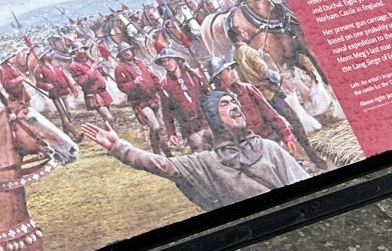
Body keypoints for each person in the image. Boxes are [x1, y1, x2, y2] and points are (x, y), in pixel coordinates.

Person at [83, 90, 308, 210]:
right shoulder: (206, 162)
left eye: (234, 102)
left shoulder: (268, 148)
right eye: (225, 104)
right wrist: (119, 147)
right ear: (213, 118)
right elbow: (161, 165)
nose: (235, 107)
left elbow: (304, 187)